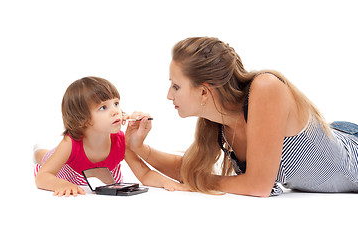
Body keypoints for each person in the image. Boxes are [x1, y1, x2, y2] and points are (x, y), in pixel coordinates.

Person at [125, 37, 358, 197]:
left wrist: (195, 183)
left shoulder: (266, 88)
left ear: (204, 91)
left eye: (176, 86)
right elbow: (190, 169)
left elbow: (258, 186)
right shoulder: (218, 124)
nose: (169, 95)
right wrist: (140, 148)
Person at [34, 76, 187, 197]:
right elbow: (42, 177)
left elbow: (145, 174)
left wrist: (169, 183)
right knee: (45, 157)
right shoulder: (70, 143)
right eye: (103, 107)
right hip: (67, 172)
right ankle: (37, 151)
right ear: (82, 119)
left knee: (51, 155)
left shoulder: (121, 141)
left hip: (88, 174)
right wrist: (61, 185)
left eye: (116, 103)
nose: (115, 111)